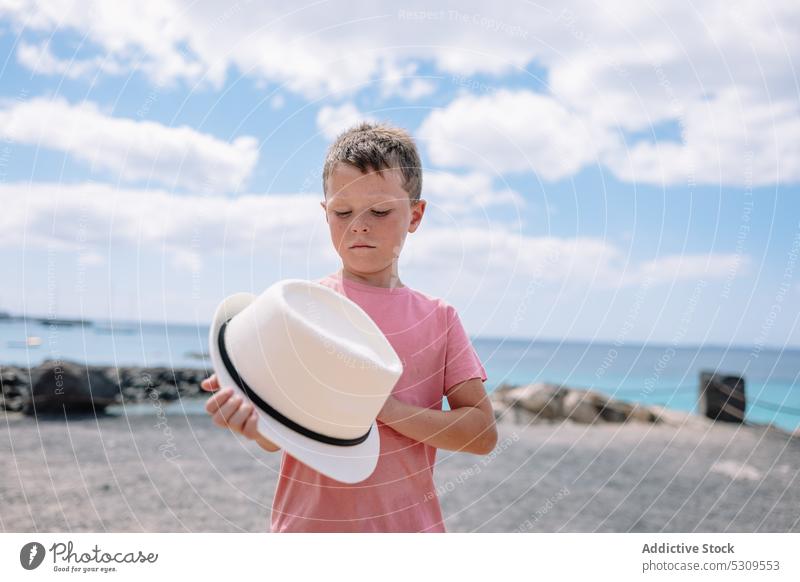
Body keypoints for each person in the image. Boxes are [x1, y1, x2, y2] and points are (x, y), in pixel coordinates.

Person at [201, 121, 497, 532]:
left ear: (415, 214)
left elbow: (481, 434)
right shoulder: (299, 313)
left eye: (379, 211)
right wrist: (252, 422)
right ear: (325, 214)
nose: (359, 224)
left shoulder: (438, 318)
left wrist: (381, 407)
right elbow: (280, 437)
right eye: (342, 211)